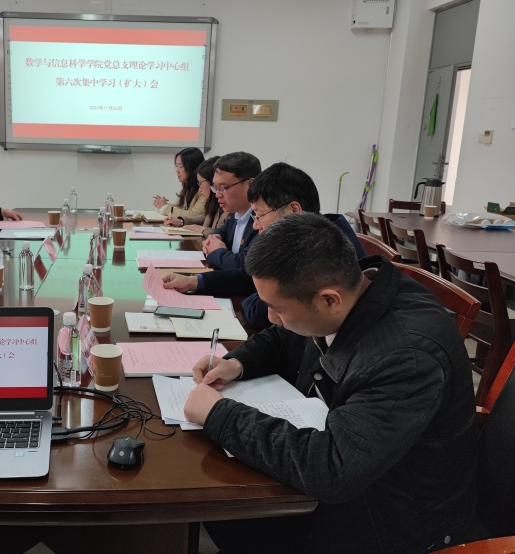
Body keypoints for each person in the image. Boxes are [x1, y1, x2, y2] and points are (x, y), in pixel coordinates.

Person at [184, 213, 482, 554]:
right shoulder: (352, 292)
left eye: (277, 308)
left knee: (219, 510)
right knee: (214, 500)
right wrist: (237, 364)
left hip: (389, 520)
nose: (270, 317)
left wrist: (220, 416)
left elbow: (333, 469)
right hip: (357, 479)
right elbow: (284, 337)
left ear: (329, 300)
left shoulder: (406, 355)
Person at [162, 162, 366, 305]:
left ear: (293, 210)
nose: (256, 226)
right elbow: (250, 279)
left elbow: (262, 310)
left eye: (259, 215)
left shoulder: (321, 248)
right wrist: (193, 281)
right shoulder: (306, 236)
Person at [163, 156, 227, 237]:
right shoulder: (213, 203)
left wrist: (204, 230)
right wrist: (181, 221)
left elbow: (225, 237)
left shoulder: (228, 208)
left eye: (181, 166)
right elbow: (205, 218)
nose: (177, 171)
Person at [152, 147, 206, 224]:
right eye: (176, 166)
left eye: (181, 167)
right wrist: (162, 205)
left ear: (192, 167)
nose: (177, 171)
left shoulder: (203, 189)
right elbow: (179, 206)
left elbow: (193, 215)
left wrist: (164, 207)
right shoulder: (188, 186)